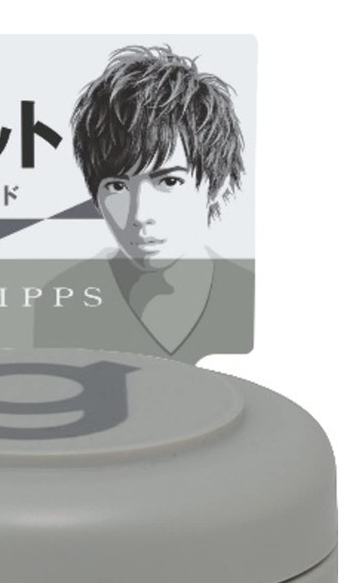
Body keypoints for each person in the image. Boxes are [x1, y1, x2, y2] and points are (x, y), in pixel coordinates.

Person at [33, 45, 253, 362]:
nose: (140, 214)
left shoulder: (251, 299)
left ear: (216, 186)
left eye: (169, 182)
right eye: (118, 186)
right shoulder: (65, 300)